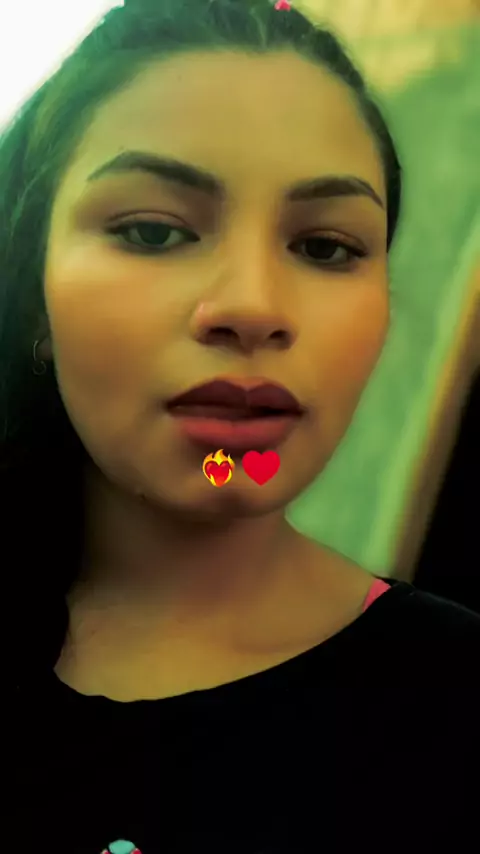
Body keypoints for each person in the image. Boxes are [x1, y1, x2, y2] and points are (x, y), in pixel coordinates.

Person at [5, 0, 478, 851]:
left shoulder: (455, 707)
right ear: (32, 288)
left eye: (326, 248)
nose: (253, 307)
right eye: (153, 231)